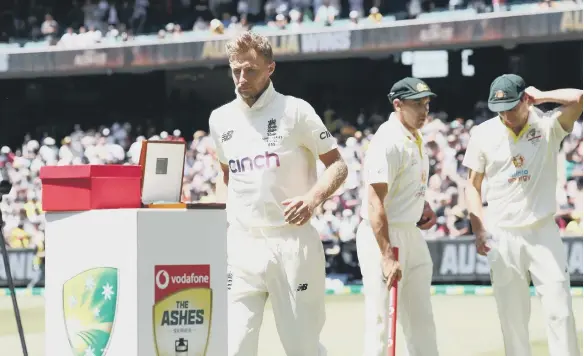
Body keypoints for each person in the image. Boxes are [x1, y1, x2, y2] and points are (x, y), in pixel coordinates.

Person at [208, 31, 348, 356]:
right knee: (234, 346)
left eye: (251, 70)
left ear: (270, 68)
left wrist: (312, 199)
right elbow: (226, 176)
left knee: (302, 346)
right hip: (242, 245)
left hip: (292, 242)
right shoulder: (220, 119)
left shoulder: (296, 111)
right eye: (235, 70)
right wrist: (217, 222)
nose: (241, 78)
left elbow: (338, 166)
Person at [463, 74, 583, 356]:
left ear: (526, 100)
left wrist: (541, 96)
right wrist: (479, 229)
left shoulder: (548, 124)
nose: (505, 115)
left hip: (543, 232)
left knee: (560, 311)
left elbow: (579, 98)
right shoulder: (483, 133)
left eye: (511, 108)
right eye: (499, 110)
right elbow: (472, 185)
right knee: (512, 319)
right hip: (502, 234)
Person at [356, 77, 440, 356]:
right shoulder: (387, 141)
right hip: (384, 237)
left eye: (426, 104)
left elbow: (403, 185)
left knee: (421, 321)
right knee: (381, 321)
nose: (424, 111)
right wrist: (387, 255)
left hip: (411, 235)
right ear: (398, 104)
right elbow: (374, 201)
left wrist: (421, 205)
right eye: (417, 104)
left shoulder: (414, 136)